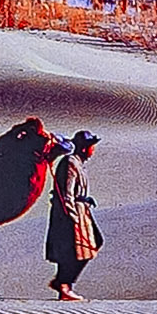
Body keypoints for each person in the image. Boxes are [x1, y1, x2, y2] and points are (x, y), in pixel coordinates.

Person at [40, 127, 104, 296]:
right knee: (70, 249)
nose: (93, 149)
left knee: (91, 243)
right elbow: (66, 192)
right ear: (84, 148)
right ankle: (64, 285)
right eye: (91, 146)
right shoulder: (70, 163)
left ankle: (63, 283)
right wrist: (72, 216)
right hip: (71, 212)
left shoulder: (78, 163)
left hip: (82, 210)